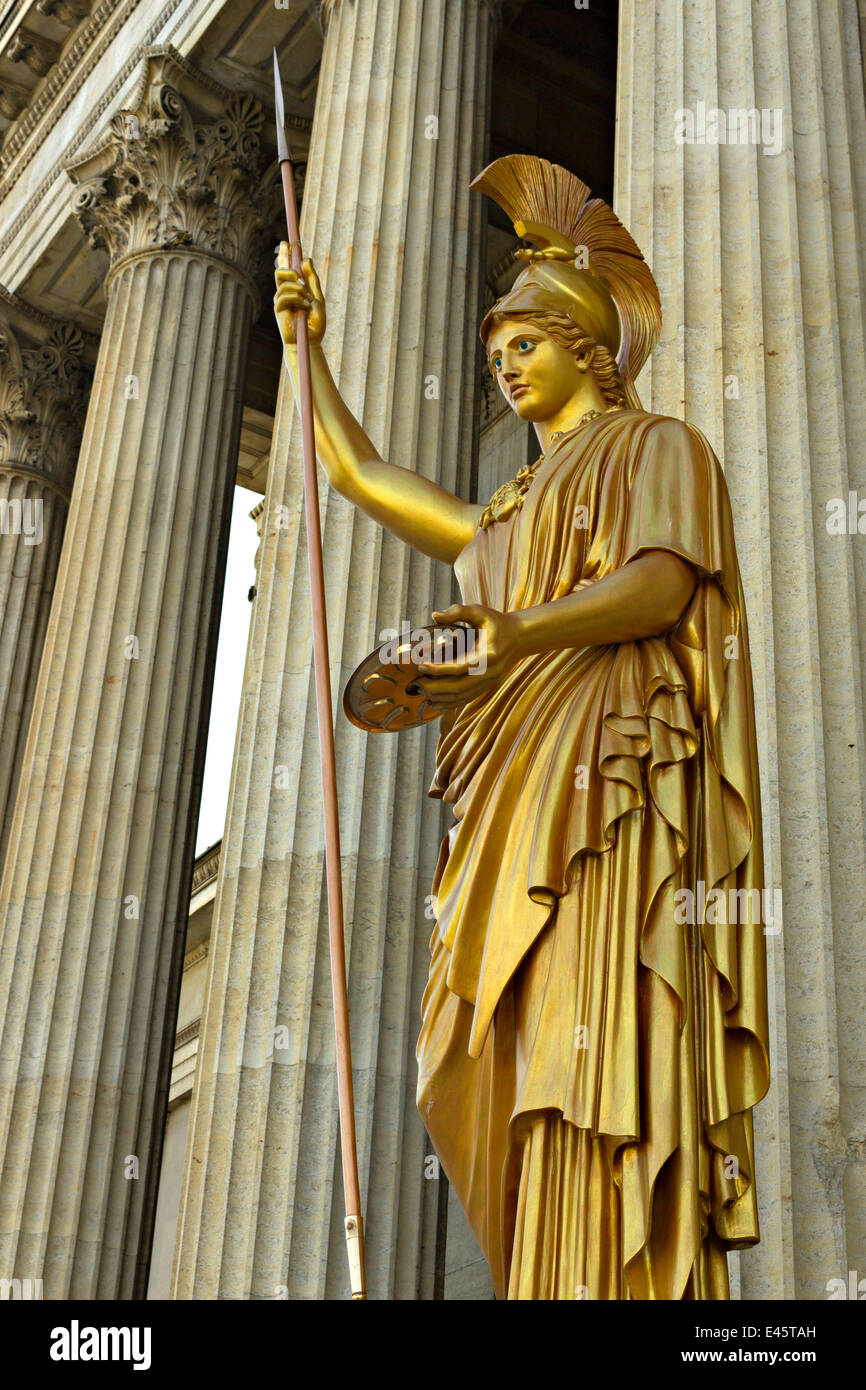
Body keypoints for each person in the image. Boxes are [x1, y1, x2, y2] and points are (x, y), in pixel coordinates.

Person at [275, 154, 769, 1300]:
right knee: (474, 1050)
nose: (504, 368)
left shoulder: (659, 450)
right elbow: (356, 472)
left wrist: (515, 636)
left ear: (586, 348)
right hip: (505, 806)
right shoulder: (497, 517)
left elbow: (658, 587)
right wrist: (307, 348)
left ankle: (618, 1276)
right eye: (495, 355)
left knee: (590, 1031)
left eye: (524, 346)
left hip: (604, 781)